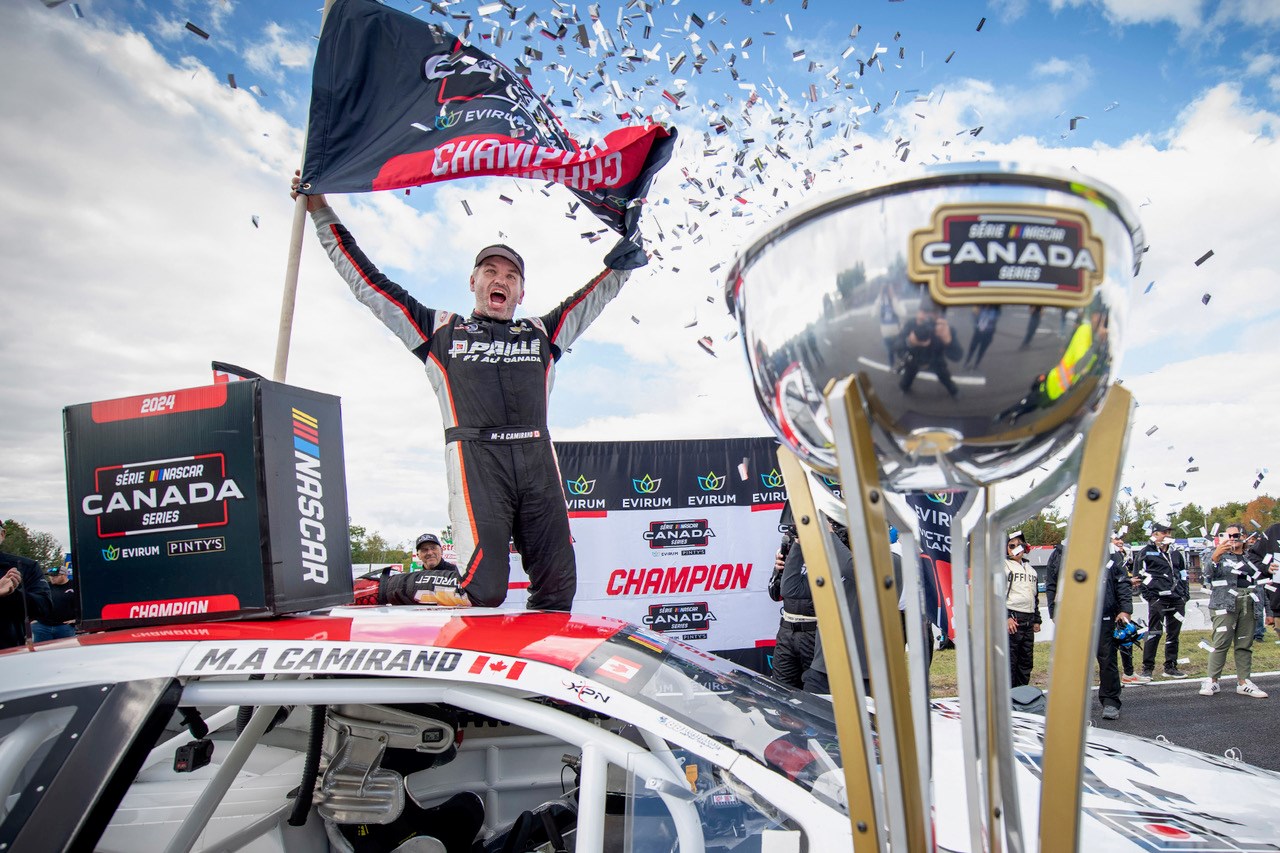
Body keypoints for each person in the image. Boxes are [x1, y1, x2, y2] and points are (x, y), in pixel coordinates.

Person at [293, 179, 647, 611]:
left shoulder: (542, 332)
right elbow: (369, 283)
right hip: (476, 460)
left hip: (537, 459)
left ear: (521, 292)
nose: (501, 280)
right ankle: (387, 587)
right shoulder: (440, 330)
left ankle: (535, 651)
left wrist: (626, 257)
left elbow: (596, 294)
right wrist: (320, 211)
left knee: (558, 589)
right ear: (473, 281)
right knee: (482, 590)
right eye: (491, 272)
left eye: (511, 276)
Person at [801, 519, 873, 696]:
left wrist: (829, 534)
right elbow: (790, 588)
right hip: (822, 669)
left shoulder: (885, 559)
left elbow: (851, 568)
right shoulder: (829, 564)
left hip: (861, 672)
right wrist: (796, 545)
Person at [1199, 523, 1268, 698]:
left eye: (1235, 536)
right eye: (1227, 535)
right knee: (1221, 642)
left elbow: (1262, 583)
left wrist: (1268, 609)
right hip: (1224, 603)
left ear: (1244, 537)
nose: (1231, 539)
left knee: (1244, 644)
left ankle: (1244, 682)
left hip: (1249, 602)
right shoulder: (1215, 553)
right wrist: (1215, 556)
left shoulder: (1252, 557)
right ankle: (1212, 680)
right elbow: (1205, 577)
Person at [769, 517, 818, 690]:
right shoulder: (790, 544)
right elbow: (775, 594)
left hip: (816, 634)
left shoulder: (831, 545)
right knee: (782, 691)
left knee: (817, 694)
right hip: (787, 631)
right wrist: (778, 571)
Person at [1137, 522, 1189, 679]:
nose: (1168, 535)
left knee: (1174, 634)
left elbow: (1183, 574)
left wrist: (1185, 594)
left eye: (1169, 533)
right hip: (1157, 598)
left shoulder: (1176, 553)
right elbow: (1138, 575)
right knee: (1154, 632)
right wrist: (1149, 596)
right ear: (1155, 534)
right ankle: (1147, 668)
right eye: (1164, 533)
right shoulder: (1146, 552)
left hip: (1177, 598)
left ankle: (1170, 667)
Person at [1096, 536, 1134, 720]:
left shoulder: (1111, 553)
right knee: (1072, 662)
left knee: (1107, 658)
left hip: (1105, 614)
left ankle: (1110, 701)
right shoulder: (1066, 551)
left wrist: (1125, 609)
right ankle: (1070, 703)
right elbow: (1054, 583)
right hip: (1077, 617)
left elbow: (1123, 582)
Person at [0, 525, 53, 649]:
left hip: (9, 652)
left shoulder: (25, 567)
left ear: (2, 535)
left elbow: (44, 606)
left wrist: (13, 595)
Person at [380, 533, 468, 606]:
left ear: (441, 551)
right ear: (418, 555)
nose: (429, 552)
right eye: (424, 550)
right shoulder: (414, 579)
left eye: (433, 548)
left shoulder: (457, 573)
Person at [897, 305, 960, 398]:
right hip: (915, 359)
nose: (927, 318)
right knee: (907, 378)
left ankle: (954, 391)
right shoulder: (911, 324)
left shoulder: (944, 329)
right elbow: (897, 345)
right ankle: (904, 388)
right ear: (918, 313)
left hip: (935, 359)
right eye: (924, 312)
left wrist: (948, 341)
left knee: (945, 377)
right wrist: (909, 341)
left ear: (939, 316)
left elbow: (957, 356)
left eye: (933, 313)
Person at [1004, 532, 1041, 688]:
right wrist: (1006, 617)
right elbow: (996, 594)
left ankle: (1022, 694)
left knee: (1026, 661)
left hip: (1029, 619)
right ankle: (1009, 696)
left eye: (1019, 545)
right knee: (1010, 662)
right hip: (1013, 618)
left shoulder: (1031, 570)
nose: (1015, 549)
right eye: (1011, 546)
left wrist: (1037, 619)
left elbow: (1035, 596)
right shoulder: (1003, 567)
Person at [33, 563, 77, 642]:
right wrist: (33, 619)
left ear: (64, 575)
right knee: (42, 649)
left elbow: (83, 604)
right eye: (50, 576)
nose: (51, 578)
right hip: (42, 626)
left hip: (64, 627)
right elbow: (36, 601)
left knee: (66, 648)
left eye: (54, 576)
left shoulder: (75, 586)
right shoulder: (45, 586)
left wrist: (76, 620)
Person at [962, 304, 1000, 369]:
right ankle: (966, 362)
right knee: (972, 348)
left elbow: (995, 320)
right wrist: (977, 326)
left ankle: (976, 364)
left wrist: (990, 327)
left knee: (982, 350)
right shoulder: (978, 308)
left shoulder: (996, 310)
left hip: (988, 333)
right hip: (978, 333)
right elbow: (973, 318)